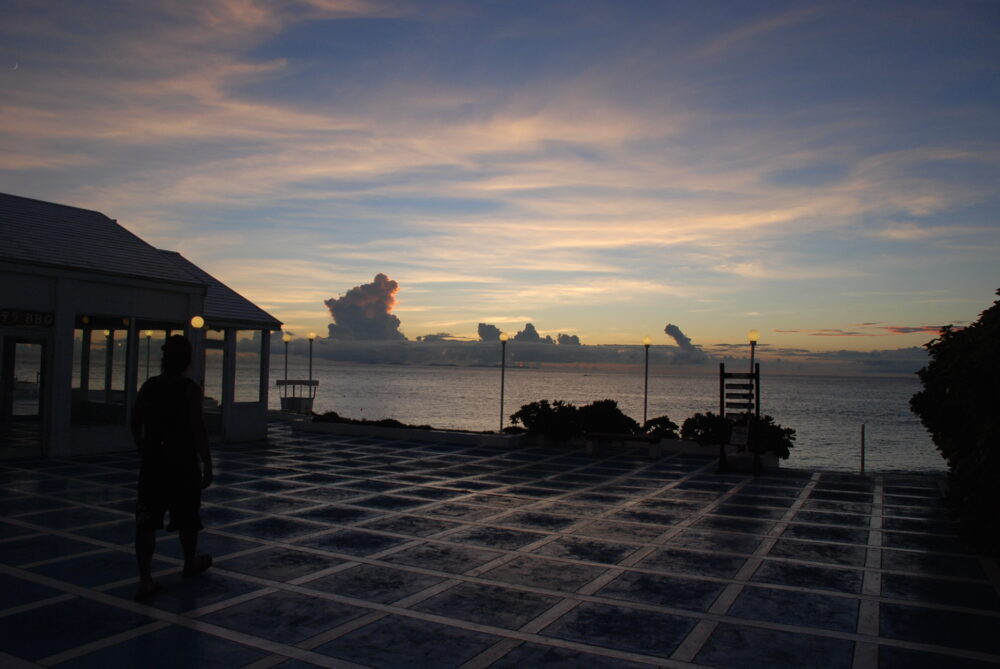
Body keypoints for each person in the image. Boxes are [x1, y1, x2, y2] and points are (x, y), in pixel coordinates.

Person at [131, 334, 213, 599]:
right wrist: (207, 462)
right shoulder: (189, 389)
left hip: (154, 462)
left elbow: (135, 421)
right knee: (188, 517)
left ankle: (145, 579)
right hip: (182, 462)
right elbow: (197, 428)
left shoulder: (150, 386)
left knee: (146, 522)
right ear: (187, 361)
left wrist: (144, 447)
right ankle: (189, 562)